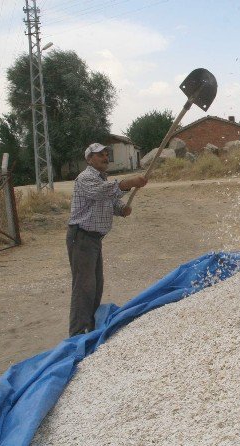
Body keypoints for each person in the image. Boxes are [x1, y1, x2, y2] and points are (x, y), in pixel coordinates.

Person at [66, 142, 148, 337]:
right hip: (82, 238)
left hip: (93, 240)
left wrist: (121, 209)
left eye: (105, 154)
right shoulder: (86, 178)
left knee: (95, 285)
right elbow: (102, 192)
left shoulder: (102, 179)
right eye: (99, 155)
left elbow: (110, 201)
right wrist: (129, 183)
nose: (104, 157)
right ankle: (77, 334)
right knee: (84, 287)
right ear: (89, 159)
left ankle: (91, 329)